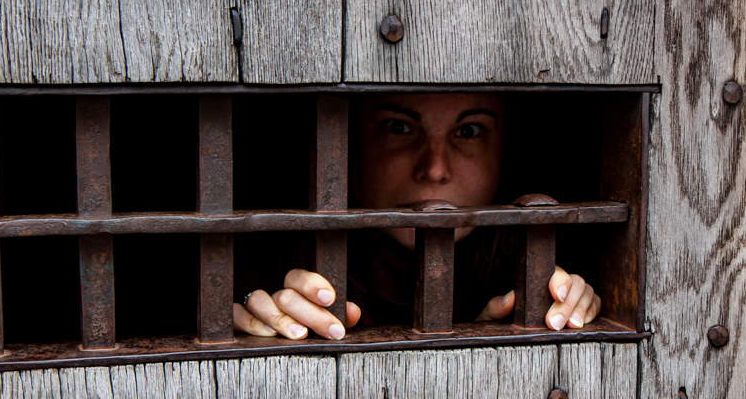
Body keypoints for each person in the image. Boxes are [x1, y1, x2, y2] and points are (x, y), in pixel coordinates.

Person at [231, 93, 601, 340]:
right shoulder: (269, 257)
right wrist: (263, 318)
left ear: (504, 156)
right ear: (346, 150)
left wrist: (568, 305)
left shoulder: (526, 278)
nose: (435, 168)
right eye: (399, 127)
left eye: (468, 131)